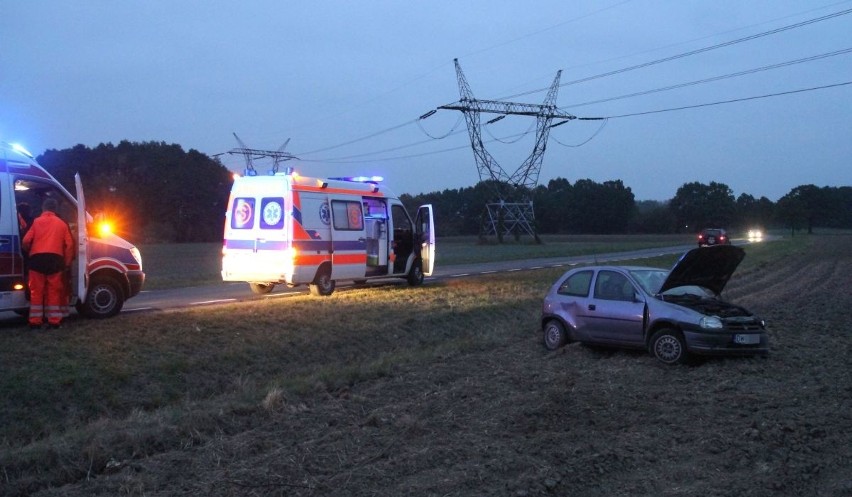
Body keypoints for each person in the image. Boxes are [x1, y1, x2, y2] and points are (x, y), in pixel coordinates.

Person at [22, 198, 74, 329]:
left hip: (36, 260)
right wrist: (67, 263)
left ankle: (35, 321)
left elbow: (26, 241)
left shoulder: (36, 222)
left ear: (43, 209)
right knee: (54, 292)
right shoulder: (62, 224)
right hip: (55, 261)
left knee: (36, 292)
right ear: (55, 209)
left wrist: (30, 253)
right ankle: (54, 321)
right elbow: (69, 245)